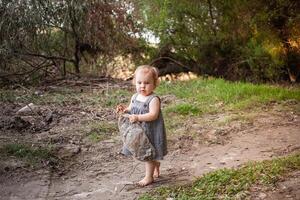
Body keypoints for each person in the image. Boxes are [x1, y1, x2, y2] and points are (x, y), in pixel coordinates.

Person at [116, 65, 167, 186]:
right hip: (138, 132)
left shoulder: (153, 99)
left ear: (154, 84)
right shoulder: (135, 97)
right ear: (134, 82)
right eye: (139, 83)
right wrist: (124, 110)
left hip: (150, 131)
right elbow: (131, 108)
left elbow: (153, 115)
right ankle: (156, 164)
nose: (142, 86)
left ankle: (149, 177)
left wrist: (138, 117)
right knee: (142, 151)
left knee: (147, 154)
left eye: (147, 83)